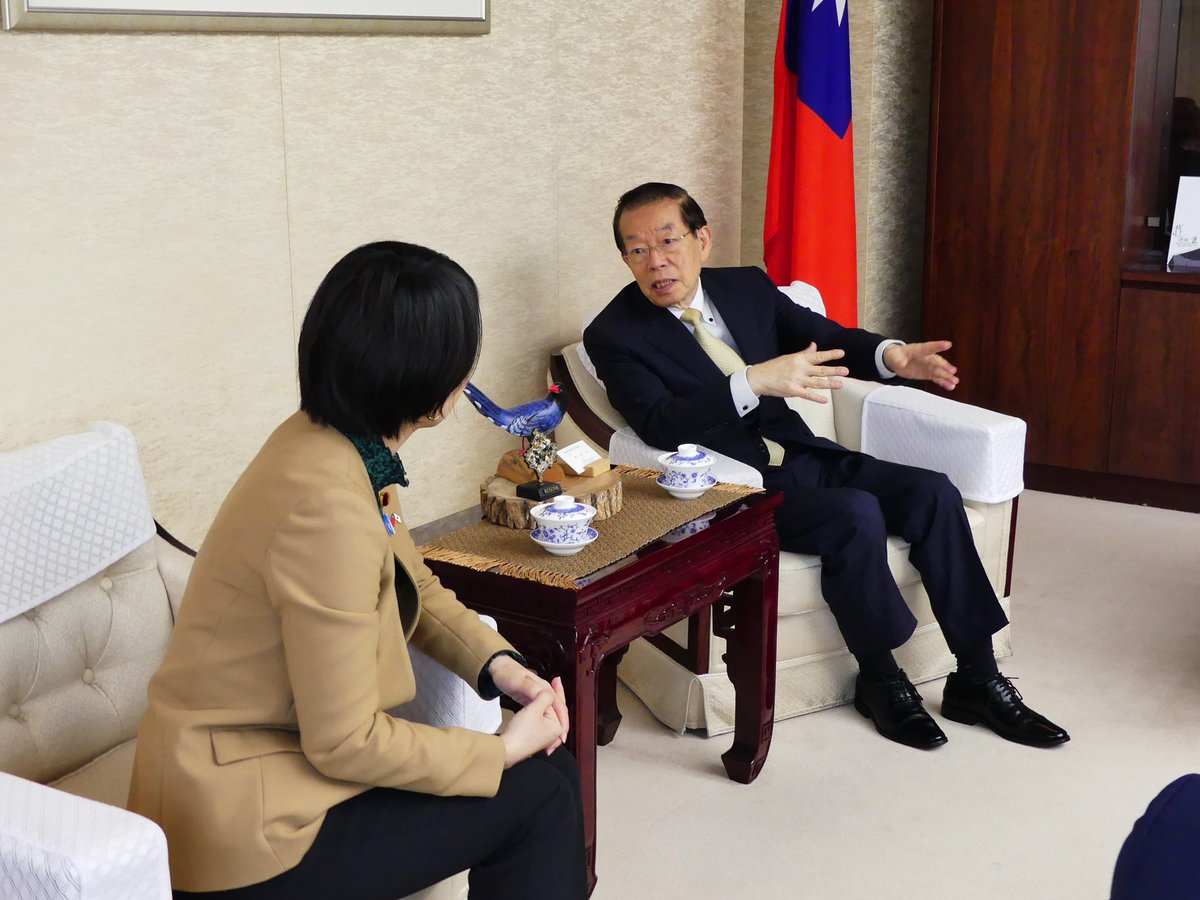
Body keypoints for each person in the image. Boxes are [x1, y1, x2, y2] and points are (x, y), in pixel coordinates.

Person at [128, 241, 589, 898]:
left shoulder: (339, 442)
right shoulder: (328, 508)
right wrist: (501, 750)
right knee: (539, 794)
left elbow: (412, 584)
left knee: (554, 775)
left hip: (276, 763)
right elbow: (345, 742)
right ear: (425, 381)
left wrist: (504, 670)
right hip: (242, 821)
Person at [583, 182, 1069, 752]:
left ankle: (977, 678)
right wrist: (751, 382)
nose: (656, 261)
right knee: (854, 514)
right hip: (735, 488)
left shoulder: (744, 287)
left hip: (803, 454)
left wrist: (891, 356)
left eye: (668, 241)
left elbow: (825, 337)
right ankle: (881, 679)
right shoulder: (613, 334)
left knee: (934, 492)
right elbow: (659, 424)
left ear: (702, 239)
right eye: (637, 249)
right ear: (625, 259)